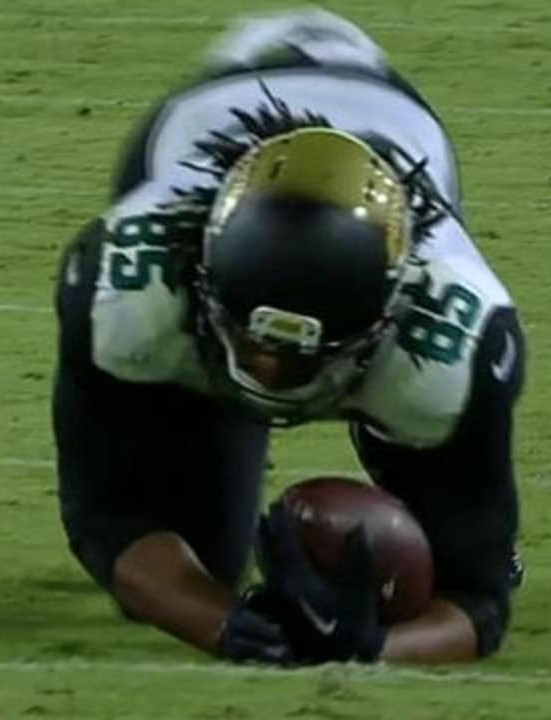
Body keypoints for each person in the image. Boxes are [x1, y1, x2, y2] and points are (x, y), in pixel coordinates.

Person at [51, 8, 526, 666]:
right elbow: (109, 522)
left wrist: (370, 648)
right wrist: (225, 623)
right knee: (198, 562)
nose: (269, 372)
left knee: (420, 574)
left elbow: (479, 603)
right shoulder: (128, 284)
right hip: (202, 116)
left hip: (392, 118)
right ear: (200, 271)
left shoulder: (452, 338)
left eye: (299, 355)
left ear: (392, 316)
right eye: (255, 341)